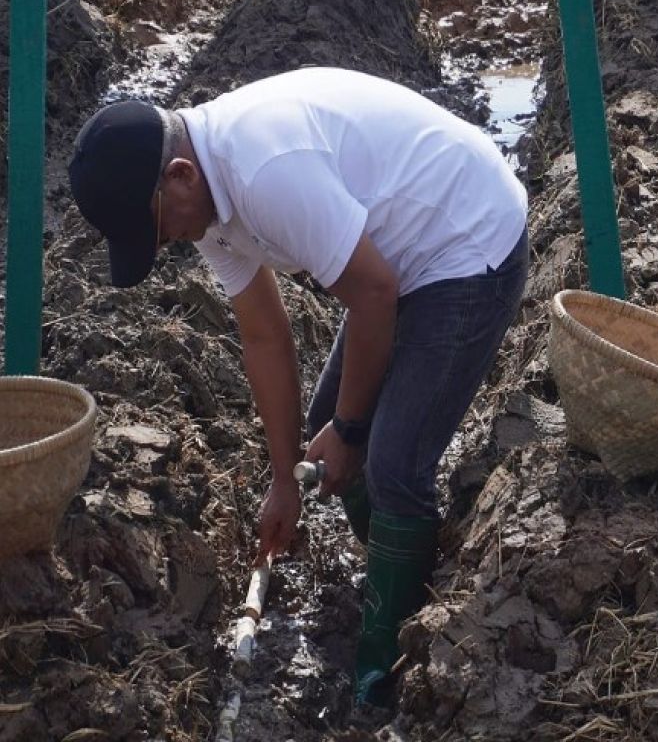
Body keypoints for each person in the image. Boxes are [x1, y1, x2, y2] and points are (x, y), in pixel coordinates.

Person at [67, 67, 529, 706]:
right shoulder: (206, 203)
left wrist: (351, 431)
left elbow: (373, 293)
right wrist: (286, 478)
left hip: (468, 242)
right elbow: (264, 336)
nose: (172, 240)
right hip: (397, 260)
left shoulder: (263, 169)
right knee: (325, 435)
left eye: (162, 228)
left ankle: (385, 663)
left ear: (179, 176)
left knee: (391, 460)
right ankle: (408, 569)